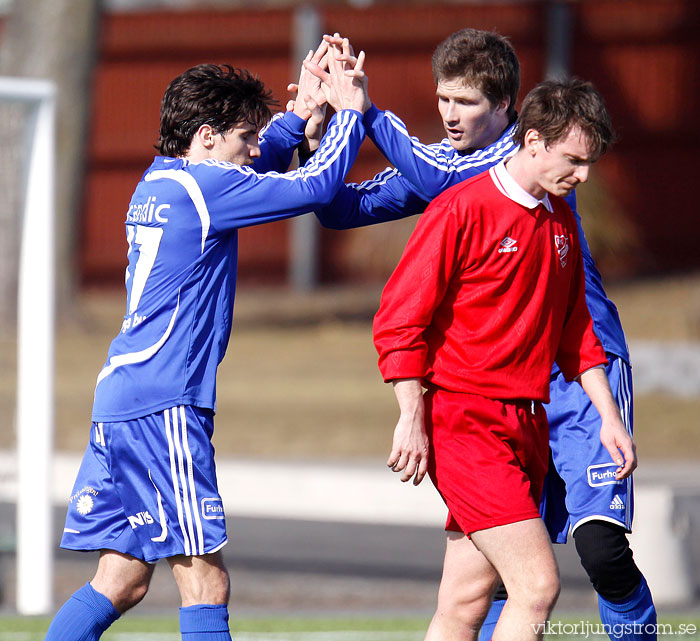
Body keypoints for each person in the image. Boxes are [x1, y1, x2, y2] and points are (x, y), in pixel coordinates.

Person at [300, 29, 656, 641]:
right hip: (482, 401)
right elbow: (338, 210)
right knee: (528, 583)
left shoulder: (534, 175)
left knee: (580, 556)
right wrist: (322, 132)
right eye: (443, 99)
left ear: (508, 111)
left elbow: (573, 326)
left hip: (570, 380)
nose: (448, 114)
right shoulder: (457, 188)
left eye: (464, 102)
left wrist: (364, 112)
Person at [44, 49, 369, 641]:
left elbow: (253, 167)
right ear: (206, 136)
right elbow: (317, 186)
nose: (252, 148)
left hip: (123, 396)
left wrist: (297, 118)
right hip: (163, 404)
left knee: (121, 580)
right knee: (206, 584)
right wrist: (350, 113)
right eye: (244, 136)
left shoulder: (163, 180)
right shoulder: (202, 192)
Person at [372, 77, 635, 641]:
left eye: (590, 163)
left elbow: (576, 334)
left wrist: (608, 416)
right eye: (574, 160)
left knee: (465, 604)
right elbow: (399, 321)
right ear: (534, 140)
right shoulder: (461, 209)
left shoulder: (562, 220)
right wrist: (411, 416)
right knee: (536, 586)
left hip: (526, 423)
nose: (583, 176)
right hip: (465, 424)